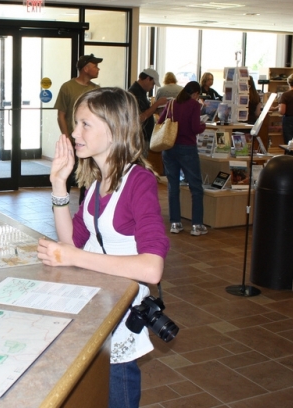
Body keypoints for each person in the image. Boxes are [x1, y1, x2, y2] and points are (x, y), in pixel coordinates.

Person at [37, 88, 168, 408]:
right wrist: (58, 185)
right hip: (100, 309)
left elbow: (152, 268)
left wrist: (72, 256)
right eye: (75, 124)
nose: (73, 132)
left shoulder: (138, 182)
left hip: (121, 318)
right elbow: (72, 242)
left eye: (85, 124)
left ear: (114, 129)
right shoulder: (97, 182)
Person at [159, 81, 208, 236]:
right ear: (195, 94)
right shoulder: (194, 105)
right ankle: (197, 225)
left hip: (169, 148)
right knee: (196, 187)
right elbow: (195, 128)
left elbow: (160, 121)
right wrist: (203, 125)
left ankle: (175, 223)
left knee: (173, 186)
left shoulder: (172, 103)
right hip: (187, 148)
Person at [54, 54, 102, 194]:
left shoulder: (96, 89)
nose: (98, 69)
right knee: (67, 173)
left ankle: (85, 206)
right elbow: (61, 115)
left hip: (90, 140)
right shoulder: (67, 87)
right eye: (95, 66)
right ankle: (60, 201)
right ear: (86, 69)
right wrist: (67, 137)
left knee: (88, 175)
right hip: (73, 139)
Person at [127, 68, 167, 145]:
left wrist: (156, 110)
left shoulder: (141, 92)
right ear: (148, 79)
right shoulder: (135, 93)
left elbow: (144, 111)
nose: (152, 87)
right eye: (153, 84)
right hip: (140, 139)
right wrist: (157, 104)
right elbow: (141, 117)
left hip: (143, 137)